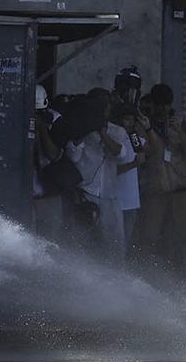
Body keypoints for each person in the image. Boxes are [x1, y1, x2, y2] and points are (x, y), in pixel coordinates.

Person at [136, 84, 186, 269]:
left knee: (183, 234)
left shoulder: (179, 123)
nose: (163, 109)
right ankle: (146, 271)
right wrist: (148, 129)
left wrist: (181, 132)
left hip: (179, 187)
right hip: (155, 187)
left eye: (166, 105)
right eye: (159, 104)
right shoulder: (144, 124)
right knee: (150, 233)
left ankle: (184, 271)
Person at [65, 88, 129, 256]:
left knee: (115, 245)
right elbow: (74, 157)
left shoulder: (118, 131)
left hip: (110, 195)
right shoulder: (82, 129)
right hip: (85, 192)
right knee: (83, 242)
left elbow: (122, 155)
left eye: (105, 106)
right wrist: (85, 132)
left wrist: (103, 133)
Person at [113, 102, 147, 254]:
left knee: (127, 242)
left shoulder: (135, 139)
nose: (129, 123)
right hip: (115, 199)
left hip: (132, 200)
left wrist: (145, 126)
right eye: (126, 119)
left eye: (132, 120)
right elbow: (112, 170)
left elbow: (150, 151)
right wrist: (133, 164)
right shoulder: (114, 139)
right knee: (116, 242)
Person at [32, 84, 64, 239]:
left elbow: (53, 154)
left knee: (50, 241)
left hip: (49, 195)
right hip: (24, 195)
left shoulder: (55, 122)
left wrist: (41, 129)